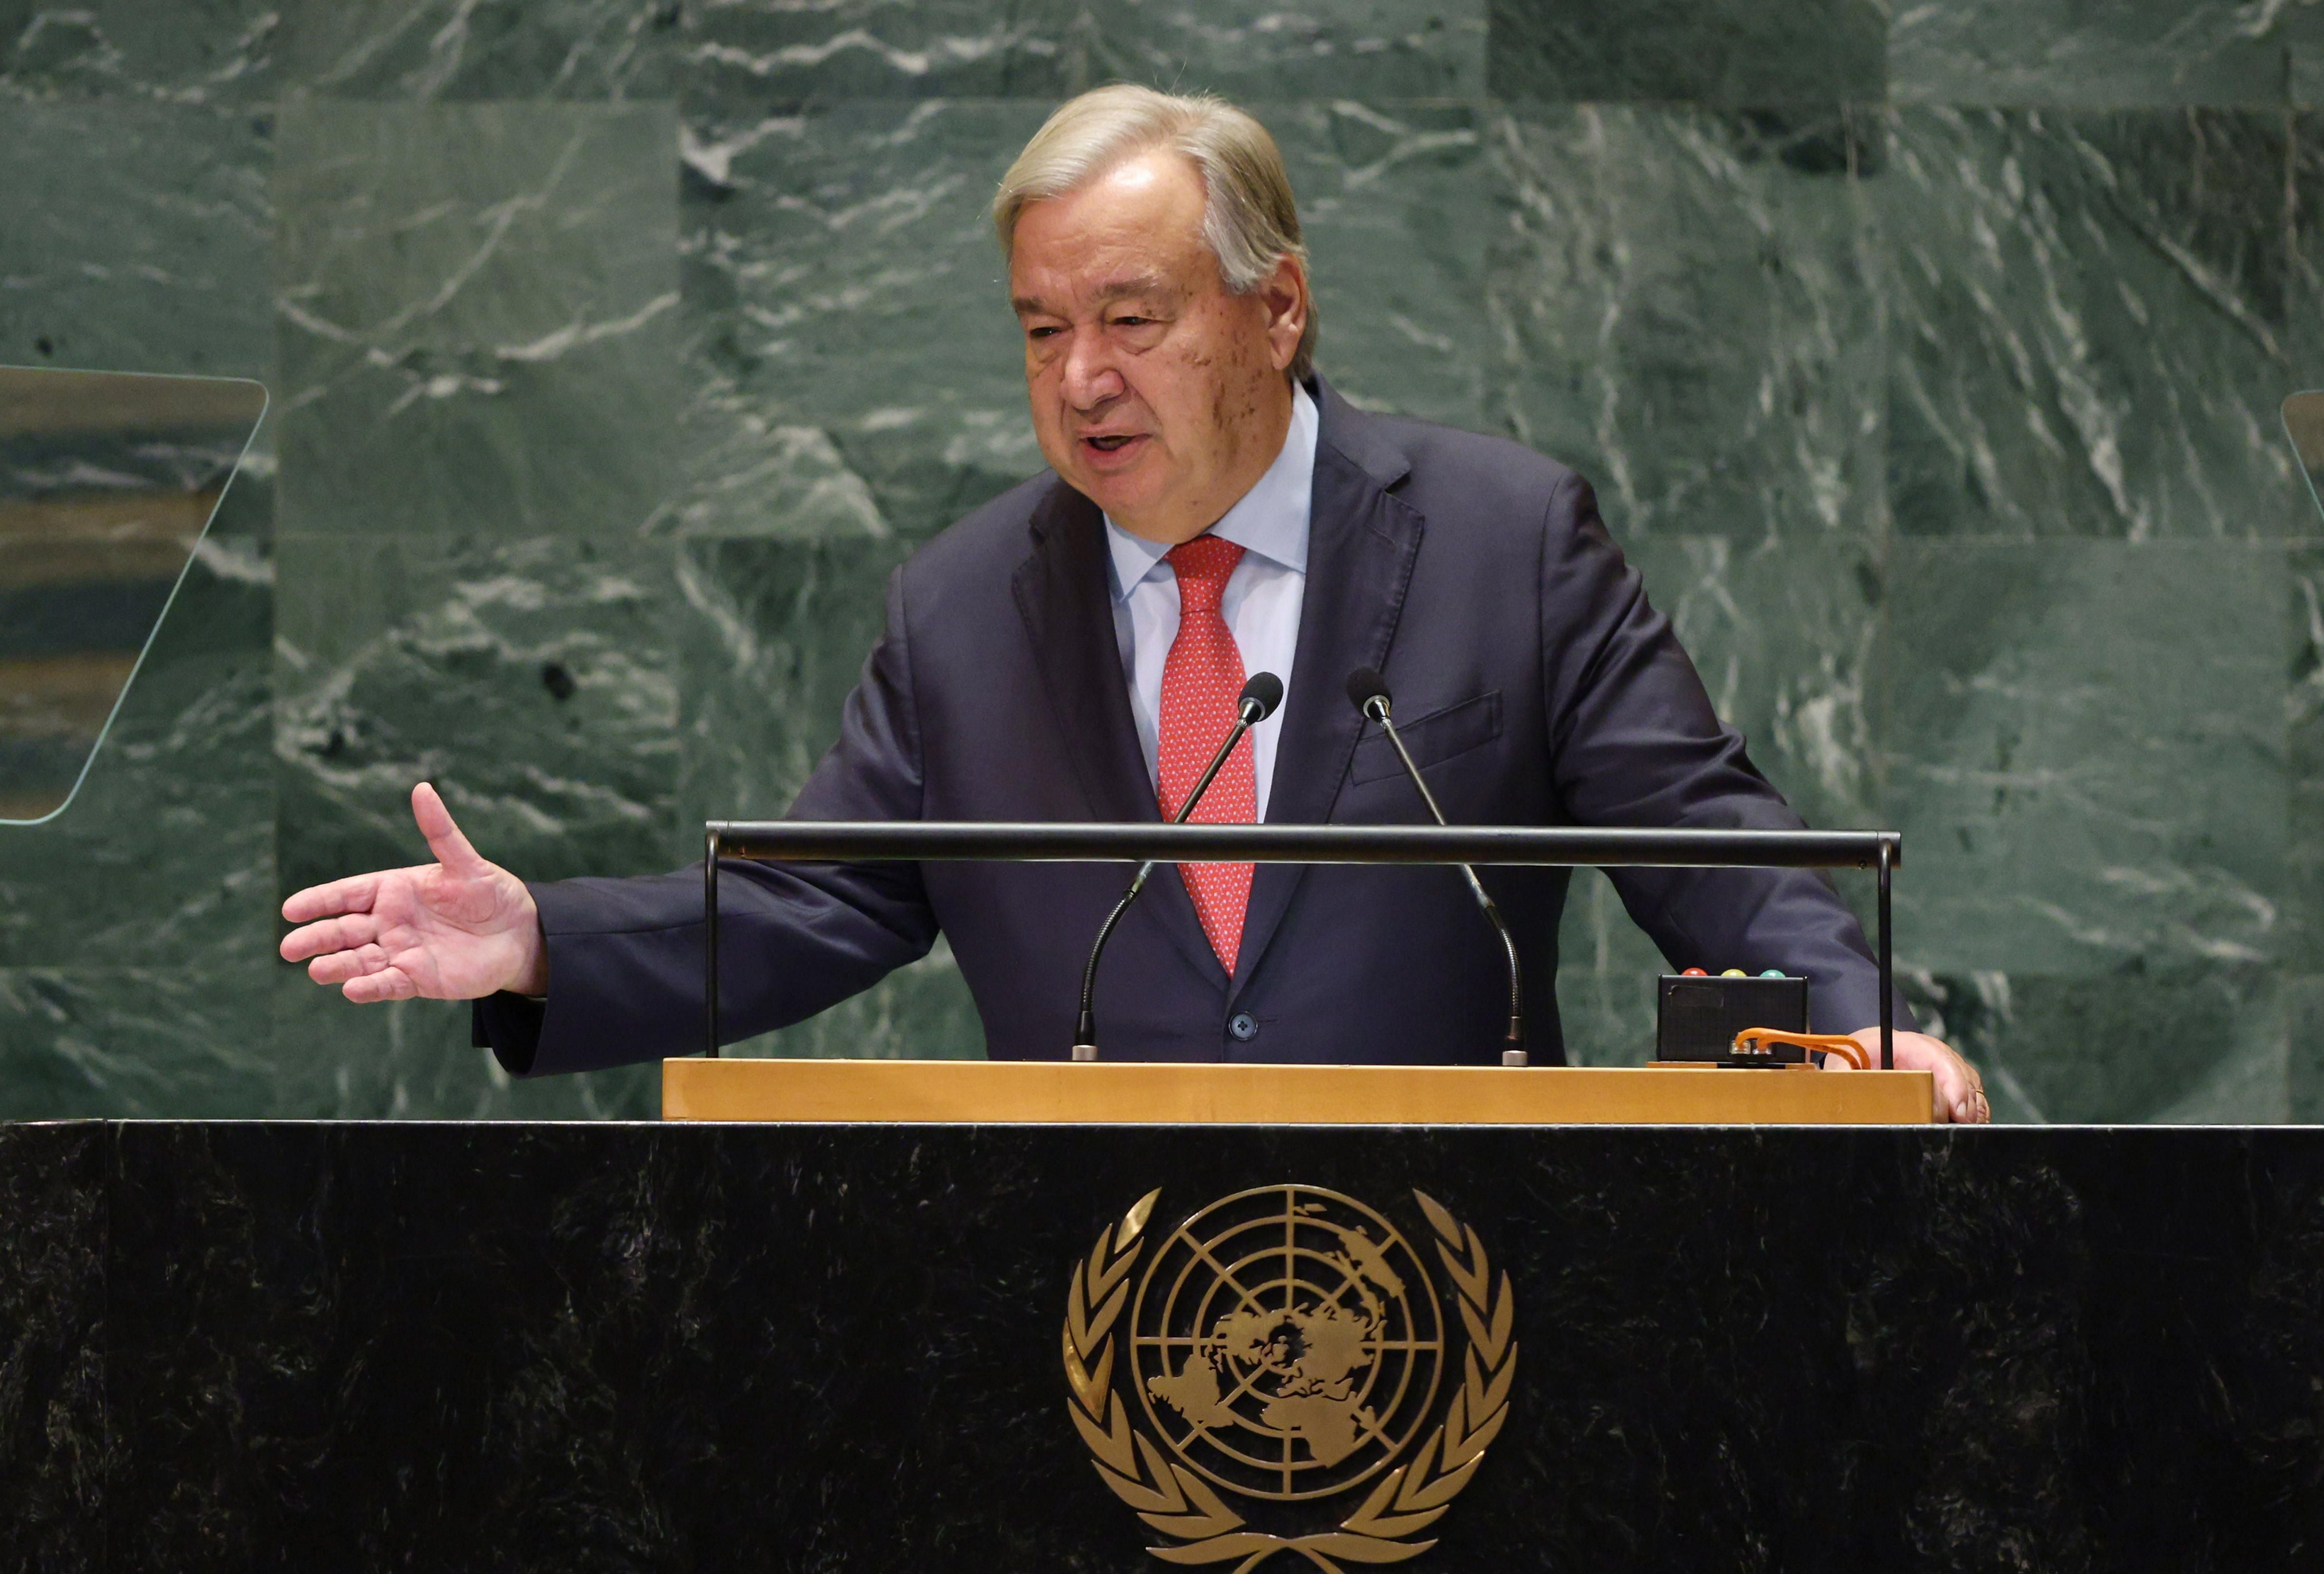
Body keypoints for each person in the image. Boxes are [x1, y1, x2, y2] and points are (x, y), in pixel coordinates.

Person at [279, 85, 1989, 1123]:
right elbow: (818, 906)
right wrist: (541, 942)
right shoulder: (963, 609)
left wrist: (1856, 1029)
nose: (1083, 378)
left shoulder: (1502, 539)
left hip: (1479, 1286)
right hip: (1088, 1306)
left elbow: (1702, 834)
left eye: (1133, 317)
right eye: (1040, 329)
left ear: (1280, 308)